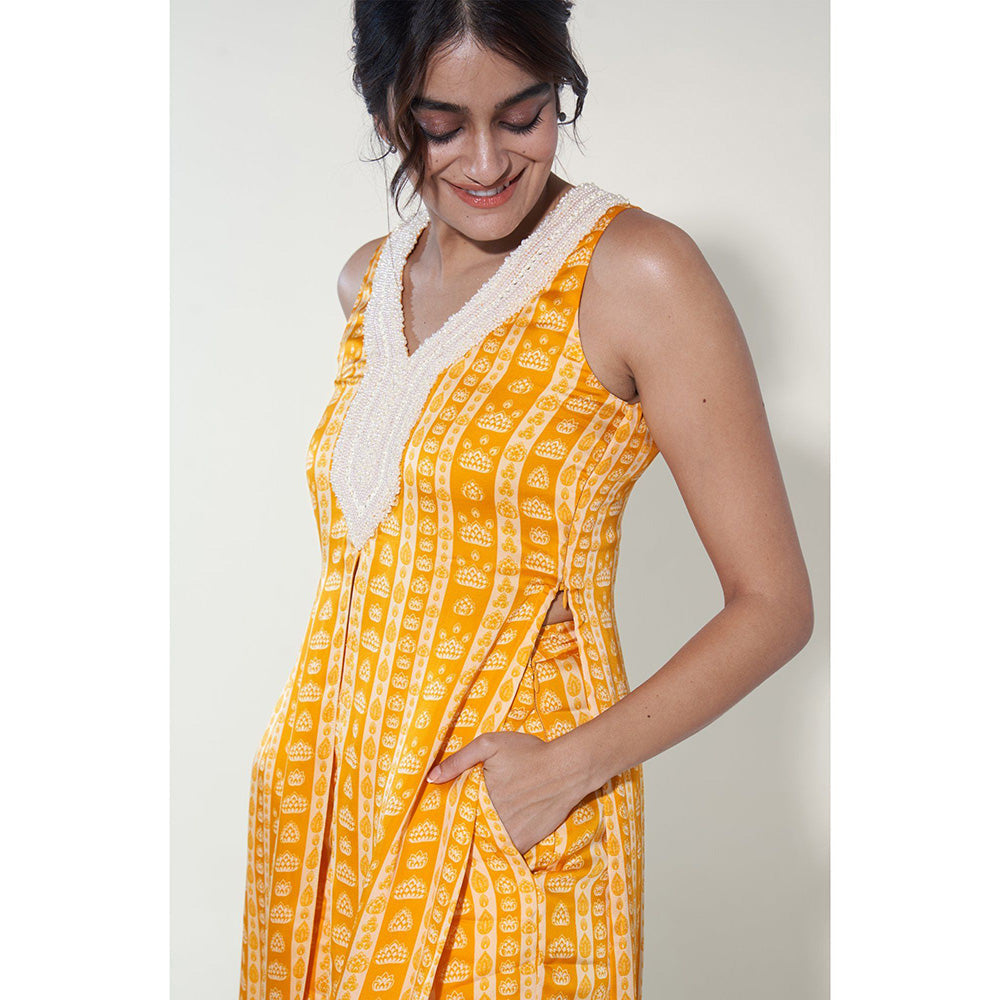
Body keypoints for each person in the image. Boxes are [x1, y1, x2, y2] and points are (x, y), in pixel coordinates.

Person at [239, 2, 814, 998]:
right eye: (440, 125)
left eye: (522, 115)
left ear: (560, 92)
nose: (487, 161)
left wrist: (564, 770)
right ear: (386, 115)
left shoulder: (636, 271)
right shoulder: (367, 284)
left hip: (505, 817)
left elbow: (774, 604)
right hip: (330, 809)